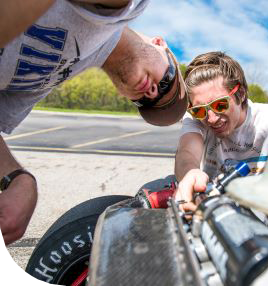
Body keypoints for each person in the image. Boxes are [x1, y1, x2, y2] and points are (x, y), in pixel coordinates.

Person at [0, 0, 188, 245]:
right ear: (160, 44)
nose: (153, 93)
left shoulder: (44, 81)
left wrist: (17, 177)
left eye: (145, 102)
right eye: (166, 82)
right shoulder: (111, 12)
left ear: (123, 94)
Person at [174, 51, 268, 212]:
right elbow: (187, 152)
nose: (211, 119)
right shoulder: (196, 120)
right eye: (199, 110)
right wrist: (190, 174)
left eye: (220, 105)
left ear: (240, 94)